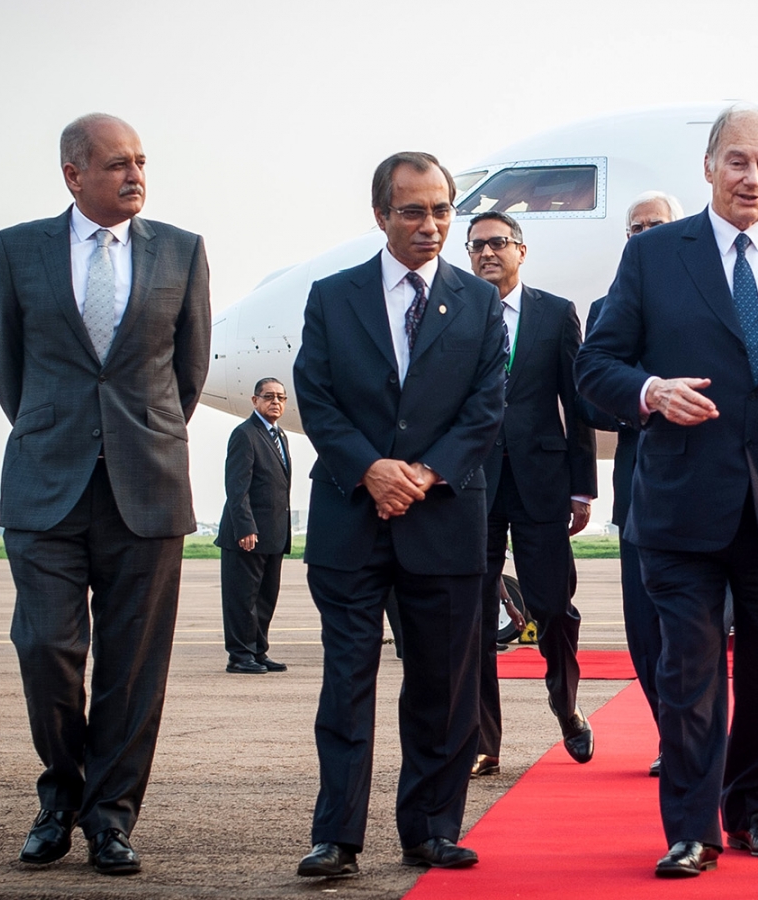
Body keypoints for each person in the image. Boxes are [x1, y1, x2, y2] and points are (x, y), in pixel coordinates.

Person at [576, 106, 758, 878]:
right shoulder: (653, 258)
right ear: (709, 166)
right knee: (689, 678)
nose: (752, 177)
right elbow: (595, 365)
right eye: (737, 161)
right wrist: (648, 391)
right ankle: (692, 826)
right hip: (681, 507)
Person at [0, 113, 211, 875]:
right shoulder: (17, 251)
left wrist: (135, 435)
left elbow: (188, 373)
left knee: (133, 666)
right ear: (73, 174)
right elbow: (6, 366)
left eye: (141, 161)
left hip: (146, 485)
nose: (135, 174)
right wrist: (60, 431)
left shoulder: (182, 251)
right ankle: (62, 795)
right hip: (45, 484)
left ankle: (111, 818)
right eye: (116, 164)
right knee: (45, 647)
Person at [292, 151, 505, 877]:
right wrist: (370, 469)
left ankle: (431, 829)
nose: (430, 225)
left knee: (442, 689)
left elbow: (486, 410)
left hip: (442, 519)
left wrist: (423, 471)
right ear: (380, 215)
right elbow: (315, 396)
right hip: (351, 518)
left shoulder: (479, 304)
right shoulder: (332, 296)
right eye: (412, 211)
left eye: (442, 209)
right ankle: (336, 838)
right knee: (347, 687)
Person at [467, 211, 597, 776]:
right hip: (474, 485)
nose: (486, 253)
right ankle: (481, 741)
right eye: (475, 246)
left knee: (551, 607)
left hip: (543, 484)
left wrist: (583, 489)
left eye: (497, 243)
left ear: (522, 251)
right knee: (473, 613)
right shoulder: (456, 312)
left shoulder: (554, 313)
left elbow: (579, 402)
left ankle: (566, 705)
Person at [578, 190, 685, 777]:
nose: (644, 235)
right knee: (644, 627)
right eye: (634, 227)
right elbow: (589, 399)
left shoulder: (704, 295)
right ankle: (670, 732)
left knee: (693, 626)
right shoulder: (604, 308)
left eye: (656, 225)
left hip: (704, 485)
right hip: (641, 489)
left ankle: (698, 735)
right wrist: (644, 402)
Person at [216, 377, 292, 674]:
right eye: (269, 396)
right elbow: (237, 487)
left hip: (273, 534)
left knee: (265, 598)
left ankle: (258, 652)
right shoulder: (244, 434)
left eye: (281, 398)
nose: (276, 402)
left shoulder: (280, 435)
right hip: (248, 534)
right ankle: (240, 656)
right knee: (242, 599)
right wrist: (245, 526)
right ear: (255, 400)